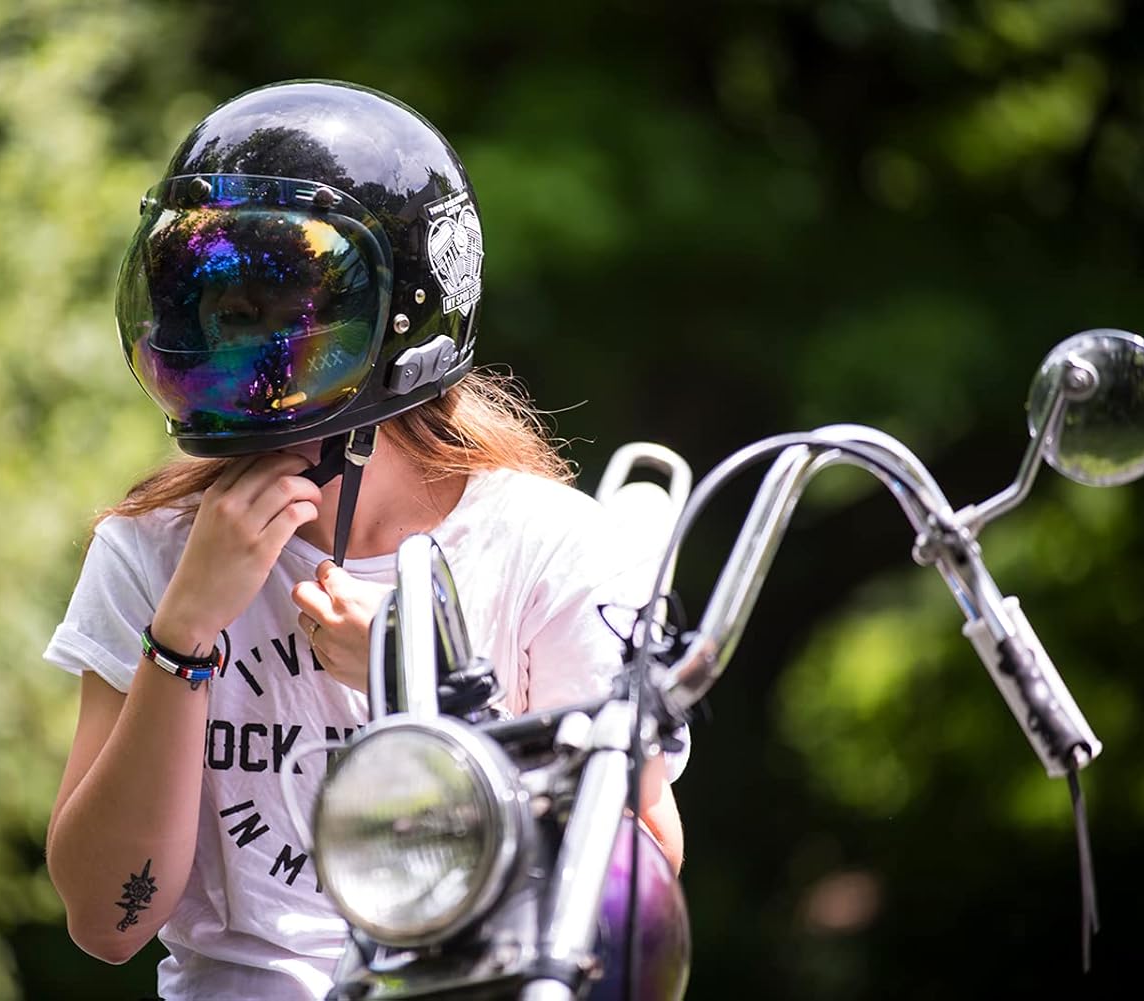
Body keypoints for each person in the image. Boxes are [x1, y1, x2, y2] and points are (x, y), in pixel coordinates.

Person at [42, 79, 686, 1001]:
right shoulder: (151, 550)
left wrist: (420, 689)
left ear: (403, 327)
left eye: (285, 323)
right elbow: (108, 921)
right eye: (218, 318)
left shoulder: (549, 549)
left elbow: (642, 889)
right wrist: (182, 633)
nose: (239, 365)